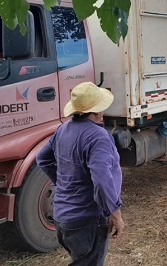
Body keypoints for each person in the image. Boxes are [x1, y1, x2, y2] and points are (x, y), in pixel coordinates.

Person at [36, 82, 125, 266]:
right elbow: (102, 179)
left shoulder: (63, 129)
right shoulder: (97, 136)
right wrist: (115, 214)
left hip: (63, 219)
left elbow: (42, 158)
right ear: (97, 111)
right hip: (87, 220)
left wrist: (62, 183)